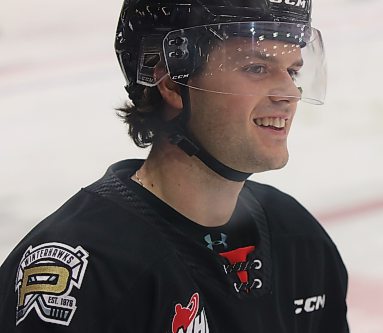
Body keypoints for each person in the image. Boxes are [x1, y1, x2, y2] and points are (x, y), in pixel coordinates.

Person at [0, 0, 349, 332]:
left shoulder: (299, 238)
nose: (289, 93)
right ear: (170, 82)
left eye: (292, 71)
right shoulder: (91, 268)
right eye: (256, 68)